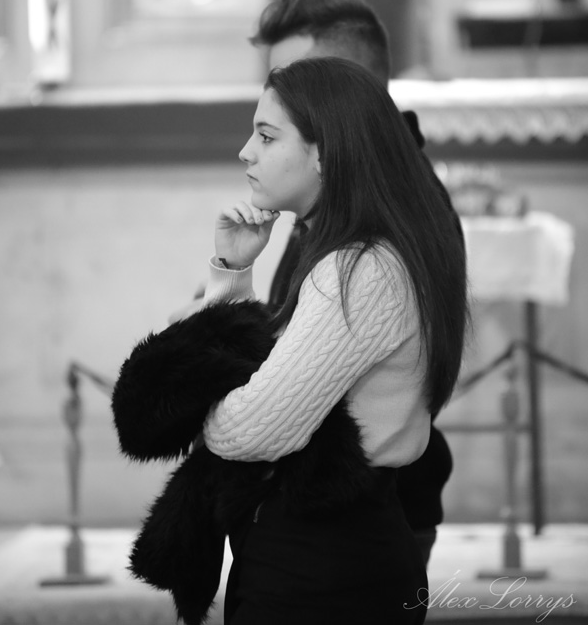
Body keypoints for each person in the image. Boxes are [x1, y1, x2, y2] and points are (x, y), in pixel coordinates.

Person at [113, 57, 468, 625]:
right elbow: (260, 365)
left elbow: (252, 429)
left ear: (324, 152)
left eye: (266, 135)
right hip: (319, 545)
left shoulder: (360, 270)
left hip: (327, 561)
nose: (245, 152)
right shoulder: (356, 252)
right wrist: (233, 273)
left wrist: (201, 412)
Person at [250, 0, 461, 565]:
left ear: (348, 86)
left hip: (362, 511)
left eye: (299, 78)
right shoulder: (342, 194)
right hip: (315, 501)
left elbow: (285, 408)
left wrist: (216, 397)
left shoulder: (399, 210)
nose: (280, 95)